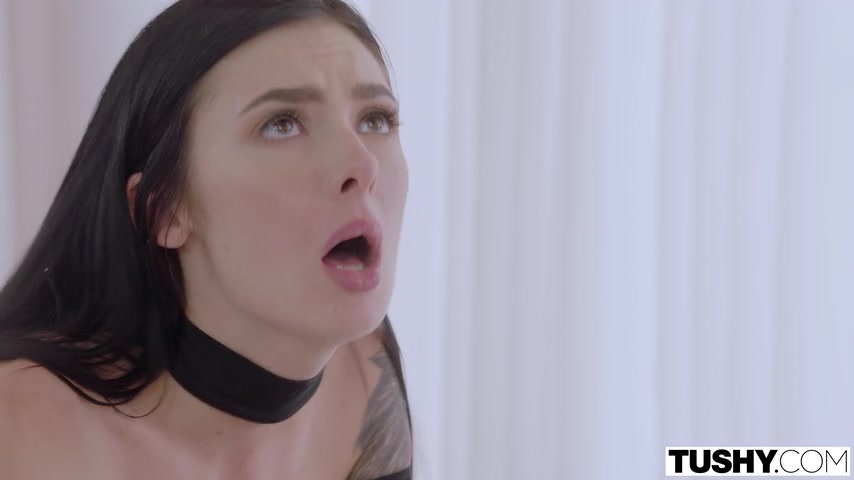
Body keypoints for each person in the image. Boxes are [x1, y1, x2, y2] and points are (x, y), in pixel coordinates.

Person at [0, 0, 412, 478]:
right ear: (163, 209)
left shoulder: (364, 367)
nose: (363, 165)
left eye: (375, 119)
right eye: (282, 124)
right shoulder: (23, 429)